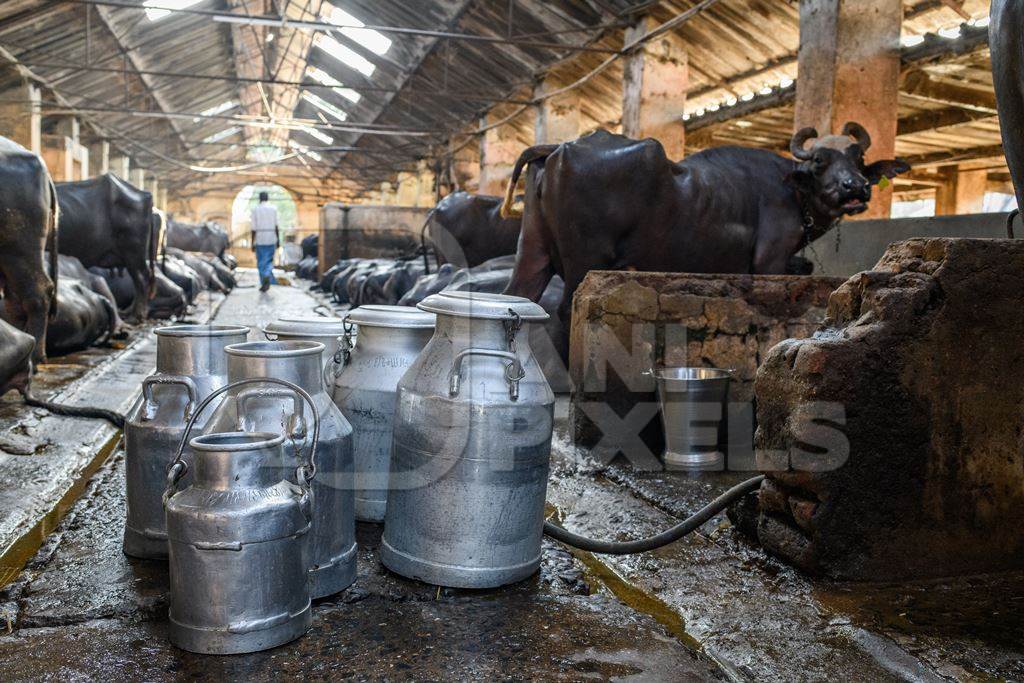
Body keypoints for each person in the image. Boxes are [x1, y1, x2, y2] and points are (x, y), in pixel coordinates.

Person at [250, 190, 279, 292]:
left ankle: (264, 280)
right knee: (269, 261)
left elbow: (253, 228)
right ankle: (267, 277)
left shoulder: (255, 209)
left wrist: (252, 242)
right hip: (271, 239)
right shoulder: (273, 209)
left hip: (260, 240)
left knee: (261, 262)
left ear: (260, 199)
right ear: (267, 198)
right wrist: (278, 240)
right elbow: (276, 225)